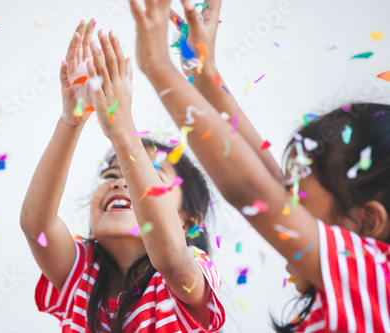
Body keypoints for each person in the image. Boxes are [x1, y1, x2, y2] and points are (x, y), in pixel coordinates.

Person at [128, 0, 390, 331]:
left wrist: (158, 66)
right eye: (286, 191)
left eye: (294, 198)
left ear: (367, 221)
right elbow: (265, 180)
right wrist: (203, 74)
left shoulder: (374, 274)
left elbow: (254, 189)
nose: (283, 199)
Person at [20, 19, 225, 332]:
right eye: (111, 175)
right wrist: (71, 121)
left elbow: (170, 259)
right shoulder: (80, 272)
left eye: (149, 175)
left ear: (188, 221)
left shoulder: (191, 272)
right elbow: (37, 228)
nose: (120, 181)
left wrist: (123, 134)